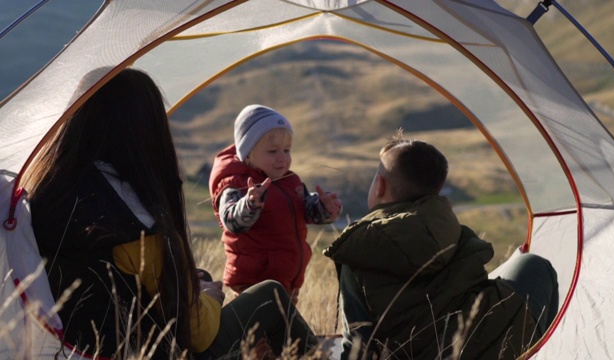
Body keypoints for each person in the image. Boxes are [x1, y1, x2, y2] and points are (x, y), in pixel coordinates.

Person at [24, 68, 318, 359]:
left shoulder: (46, 193)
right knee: (271, 295)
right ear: (144, 131)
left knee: (198, 276)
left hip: (71, 348)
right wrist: (208, 299)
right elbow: (198, 335)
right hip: (154, 351)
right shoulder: (135, 221)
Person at [323, 130, 559, 360]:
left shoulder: (360, 244)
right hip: (481, 343)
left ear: (380, 186)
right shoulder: (445, 224)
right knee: (535, 265)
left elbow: (357, 340)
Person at [209, 104, 342, 304]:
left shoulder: (290, 182)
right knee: (257, 328)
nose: (282, 158)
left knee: (282, 329)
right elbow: (231, 221)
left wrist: (324, 208)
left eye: (286, 150)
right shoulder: (236, 184)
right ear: (248, 154)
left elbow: (307, 210)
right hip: (254, 281)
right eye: (272, 151)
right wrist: (250, 204)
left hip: (287, 279)